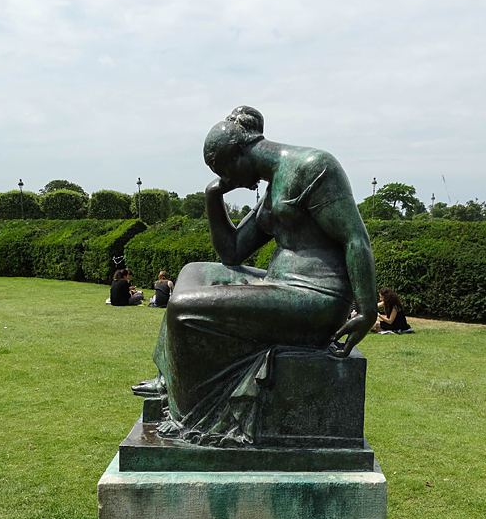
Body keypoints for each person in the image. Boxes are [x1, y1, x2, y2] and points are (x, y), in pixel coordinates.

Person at [134, 105, 377, 445]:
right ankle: (170, 376)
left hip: (317, 298)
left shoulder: (314, 167)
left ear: (238, 155)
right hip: (281, 286)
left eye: (224, 171)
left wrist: (367, 309)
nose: (229, 180)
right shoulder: (271, 189)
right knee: (193, 272)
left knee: (184, 308)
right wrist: (213, 195)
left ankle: (186, 410)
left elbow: (356, 237)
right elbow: (231, 252)